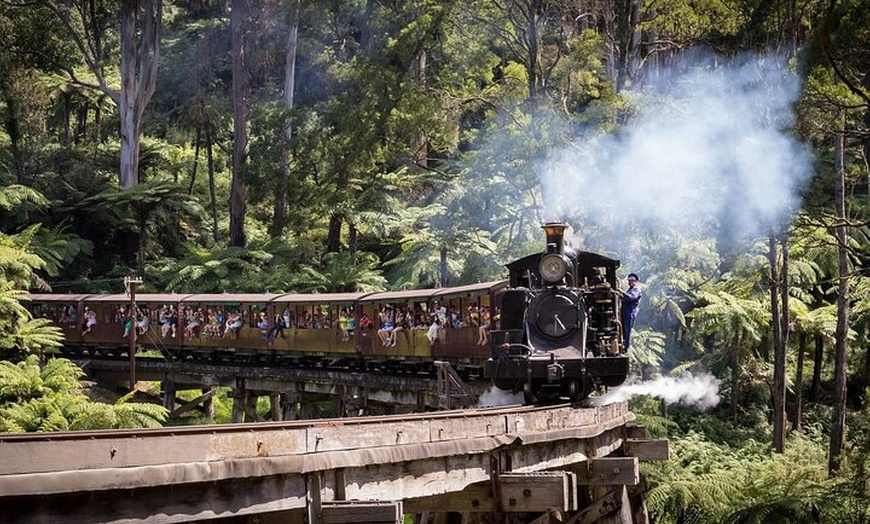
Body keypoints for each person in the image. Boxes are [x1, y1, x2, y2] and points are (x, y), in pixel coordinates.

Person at [621, 273, 642, 348]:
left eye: (632, 281)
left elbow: (631, 297)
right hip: (625, 312)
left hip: (630, 312)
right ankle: (623, 342)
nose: (630, 282)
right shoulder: (629, 290)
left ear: (635, 281)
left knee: (627, 329)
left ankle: (626, 345)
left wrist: (621, 292)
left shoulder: (636, 289)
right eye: (629, 281)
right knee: (623, 328)